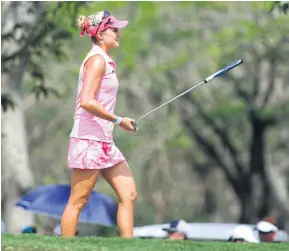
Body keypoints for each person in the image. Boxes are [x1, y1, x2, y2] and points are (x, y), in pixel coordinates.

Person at [61, 10, 137, 238]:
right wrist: (118, 120)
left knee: (129, 194)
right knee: (78, 200)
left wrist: (117, 121)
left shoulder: (105, 60)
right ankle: (65, 245)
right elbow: (86, 101)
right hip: (88, 139)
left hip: (104, 140)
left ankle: (128, 246)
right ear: (101, 34)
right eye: (114, 30)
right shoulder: (96, 61)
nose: (118, 34)